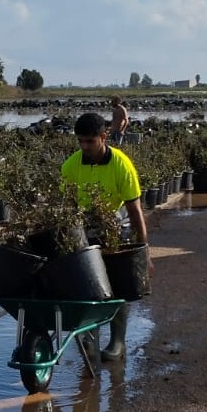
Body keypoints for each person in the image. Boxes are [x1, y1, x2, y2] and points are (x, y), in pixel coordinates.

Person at [60, 112, 153, 361]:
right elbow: (66, 208)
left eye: (90, 141)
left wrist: (143, 249)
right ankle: (89, 334)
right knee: (85, 283)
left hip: (116, 226)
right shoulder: (71, 166)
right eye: (80, 141)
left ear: (104, 137)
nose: (84, 147)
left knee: (116, 284)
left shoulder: (121, 165)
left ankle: (117, 341)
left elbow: (135, 210)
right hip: (84, 228)